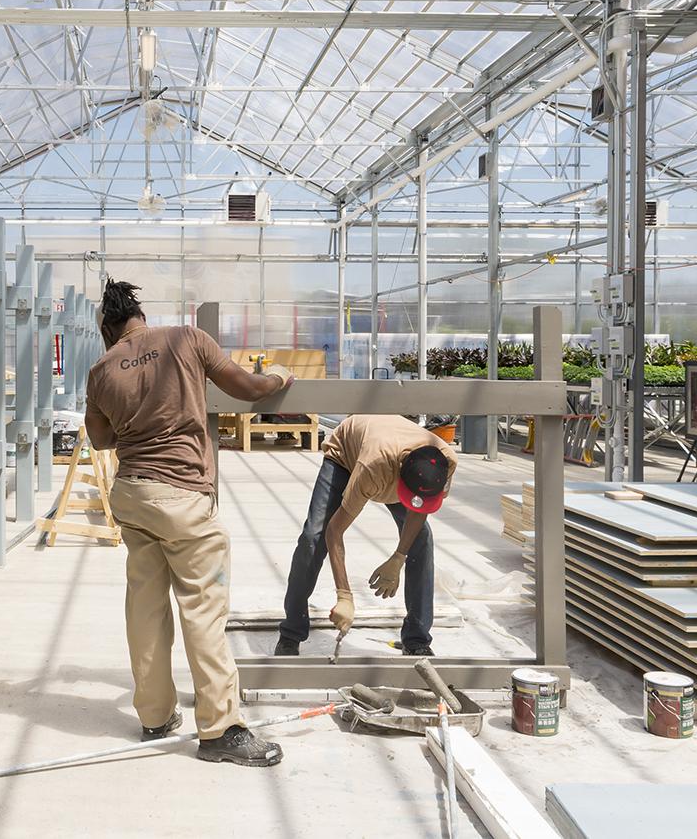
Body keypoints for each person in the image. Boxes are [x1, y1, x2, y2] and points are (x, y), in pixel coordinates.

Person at [85, 278, 294, 766]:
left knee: (145, 606)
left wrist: (135, 420)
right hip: (182, 495)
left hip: (133, 494)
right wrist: (281, 378)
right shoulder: (187, 339)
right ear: (140, 315)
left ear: (107, 329)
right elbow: (248, 388)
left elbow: (100, 440)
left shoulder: (101, 370)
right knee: (202, 608)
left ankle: (156, 716)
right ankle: (221, 728)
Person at [274, 414, 457, 657]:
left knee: (421, 540)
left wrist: (399, 556)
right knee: (313, 537)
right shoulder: (373, 468)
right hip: (347, 456)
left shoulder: (446, 462)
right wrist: (344, 595)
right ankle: (291, 633)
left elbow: (420, 508)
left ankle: (417, 640)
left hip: (390, 452)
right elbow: (335, 530)